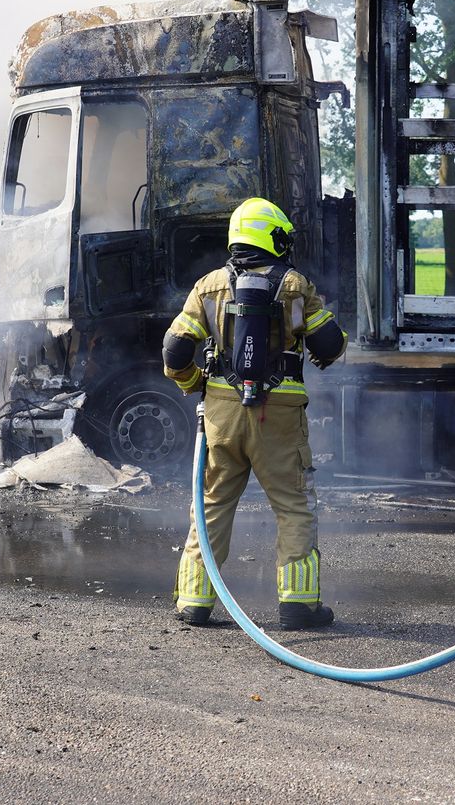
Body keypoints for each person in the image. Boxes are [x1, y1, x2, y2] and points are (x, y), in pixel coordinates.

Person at [162, 197, 348, 630]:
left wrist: (192, 384)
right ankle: (298, 605)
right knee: (293, 506)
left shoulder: (207, 286)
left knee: (211, 504)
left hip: (222, 415)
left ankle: (194, 601)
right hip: (279, 416)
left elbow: (175, 350)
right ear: (274, 237)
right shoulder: (296, 286)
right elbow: (329, 346)